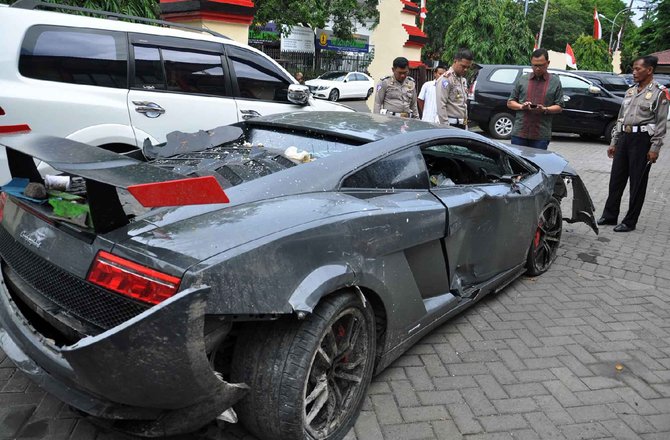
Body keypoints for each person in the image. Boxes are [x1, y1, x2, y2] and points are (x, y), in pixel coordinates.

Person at [597, 55, 669, 232]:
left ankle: (630, 221)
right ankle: (610, 215)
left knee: (637, 183)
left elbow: (661, 123)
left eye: (638, 69)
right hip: (624, 138)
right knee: (616, 179)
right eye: (633, 69)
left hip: (642, 141)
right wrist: (614, 141)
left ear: (649, 70)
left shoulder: (659, 93)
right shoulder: (630, 91)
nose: (634, 72)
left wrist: (655, 148)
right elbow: (621, 118)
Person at [507, 48, 563, 149]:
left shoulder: (555, 82)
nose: (537, 68)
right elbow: (510, 102)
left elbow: (559, 106)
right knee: (517, 163)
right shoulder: (523, 79)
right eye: (534, 65)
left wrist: (545, 109)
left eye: (540, 65)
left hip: (541, 134)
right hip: (520, 132)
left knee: (536, 164)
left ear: (548, 63)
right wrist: (521, 107)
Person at [436, 49, 473, 128]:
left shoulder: (462, 80)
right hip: (451, 125)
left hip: (462, 124)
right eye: (463, 66)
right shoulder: (446, 79)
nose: (466, 69)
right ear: (455, 61)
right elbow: (441, 105)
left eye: (468, 67)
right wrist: (446, 127)